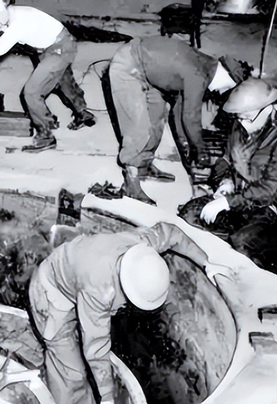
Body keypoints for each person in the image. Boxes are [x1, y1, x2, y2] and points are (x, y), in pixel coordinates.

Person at [28, 221, 230, 404]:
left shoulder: (143, 247)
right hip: (50, 294)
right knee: (70, 373)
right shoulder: (101, 289)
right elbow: (96, 347)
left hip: (72, 274)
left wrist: (206, 263)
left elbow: (171, 233)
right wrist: (107, 397)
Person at [104, 36, 249, 204]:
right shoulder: (198, 76)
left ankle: (143, 165)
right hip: (128, 66)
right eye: (228, 90)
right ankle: (131, 185)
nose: (222, 93)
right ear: (228, 80)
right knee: (139, 128)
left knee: (157, 116)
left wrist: (189, 147)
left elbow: (180, 113)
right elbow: (190, 117)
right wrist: (199, 148)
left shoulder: (207, 66)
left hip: (149, 68)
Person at [0, 0, 96, 153]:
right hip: (48, 47)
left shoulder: (20, 21)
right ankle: (82, 113)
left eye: (0, 13)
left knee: (32, 91)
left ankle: (46, 136)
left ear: (10, 7)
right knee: (61, 79)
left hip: (61, 47)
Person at [180, 78, 277, 273]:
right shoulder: (241, 125)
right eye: (239, 118)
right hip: (239, 199)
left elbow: (269, 190)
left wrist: (227, 202)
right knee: (190, 215)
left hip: (269, 208)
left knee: (243, 243)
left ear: (269, 109)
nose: (242, 124)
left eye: (247, 118)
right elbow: (225, 159)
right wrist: (225, 181)